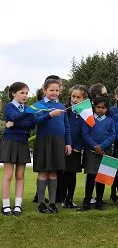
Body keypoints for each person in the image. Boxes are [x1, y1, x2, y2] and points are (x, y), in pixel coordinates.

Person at [32, 78, 72, 214]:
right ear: (44, 90)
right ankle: (41, 203)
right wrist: (49, 114)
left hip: (59, 142)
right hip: (43, 141)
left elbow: (67, 126)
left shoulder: (62, 106)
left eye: (57, 90)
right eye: (51, 90)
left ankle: (53, 203)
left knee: (54, 172)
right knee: (43, 171)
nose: (55, 93)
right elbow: (37, 121)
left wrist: (68, 143)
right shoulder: (38, 105)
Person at [1, 82, 35, 216]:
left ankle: (18, 205)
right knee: (8, 175)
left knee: (20, 175)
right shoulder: (9, 107)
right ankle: (5, 205)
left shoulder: (27, 109)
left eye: (26, 93)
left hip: (23, 143)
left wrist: (14, 123)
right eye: (22, 93)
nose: (25, 95)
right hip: (9, 142)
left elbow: (31, 124)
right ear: (13, 93)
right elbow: (14, 116)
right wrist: (22, 117)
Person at [79, 95, 116, 211]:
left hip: (105, 152)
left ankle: (100, 201)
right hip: (91, 152)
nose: (100, 109)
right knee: (91, 176)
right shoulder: (89, 120)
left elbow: (112, 135)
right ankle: (87, 202)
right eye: (98, 107)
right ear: (94, 107)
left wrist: (102, 146)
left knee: (102, 178)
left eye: (103, 108)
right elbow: (85, 134)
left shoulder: (110, 121)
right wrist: (95, 146)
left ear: (106, 109)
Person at [61, 85, 88, 209]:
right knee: (63, 173)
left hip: (76, 148)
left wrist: (79, 145)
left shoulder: (85, 112)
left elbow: (86, 131)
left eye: (78, 97)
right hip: (64, 146)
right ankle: (62, 198)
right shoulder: (64, 109)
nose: (75, 99)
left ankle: (70, 199)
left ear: (83, 99)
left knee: (72, 174)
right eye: (73, 96)